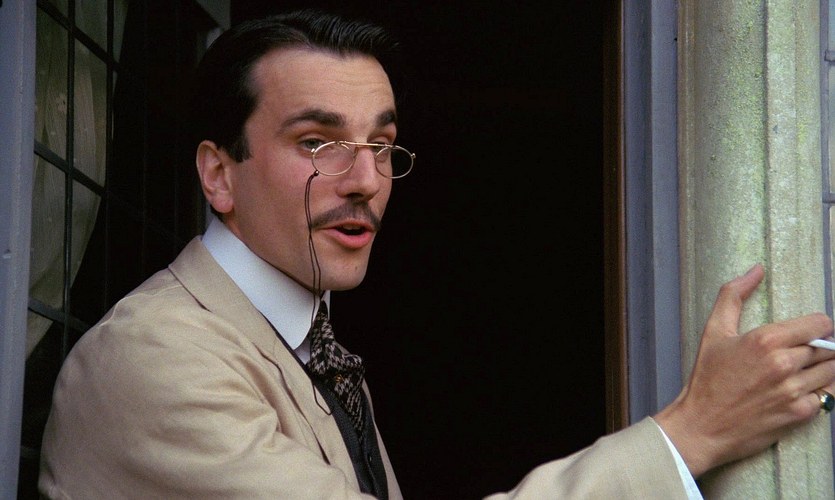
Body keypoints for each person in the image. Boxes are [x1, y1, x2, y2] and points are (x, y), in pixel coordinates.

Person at [39, 9, 835, 499]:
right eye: (316, 142)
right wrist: (690, 432)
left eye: (381, 145)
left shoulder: (309, 342)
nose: (365, 181)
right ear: (219, 173)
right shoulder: (155, 357)